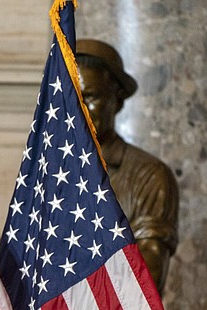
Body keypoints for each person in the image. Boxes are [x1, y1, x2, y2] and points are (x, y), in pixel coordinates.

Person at [76, 38, 179, 295]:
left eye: (90, 97)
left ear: (117, 100)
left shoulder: (149, 176)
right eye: (72, 99)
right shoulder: (46, 173)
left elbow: (147, 281)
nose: (81, 110)